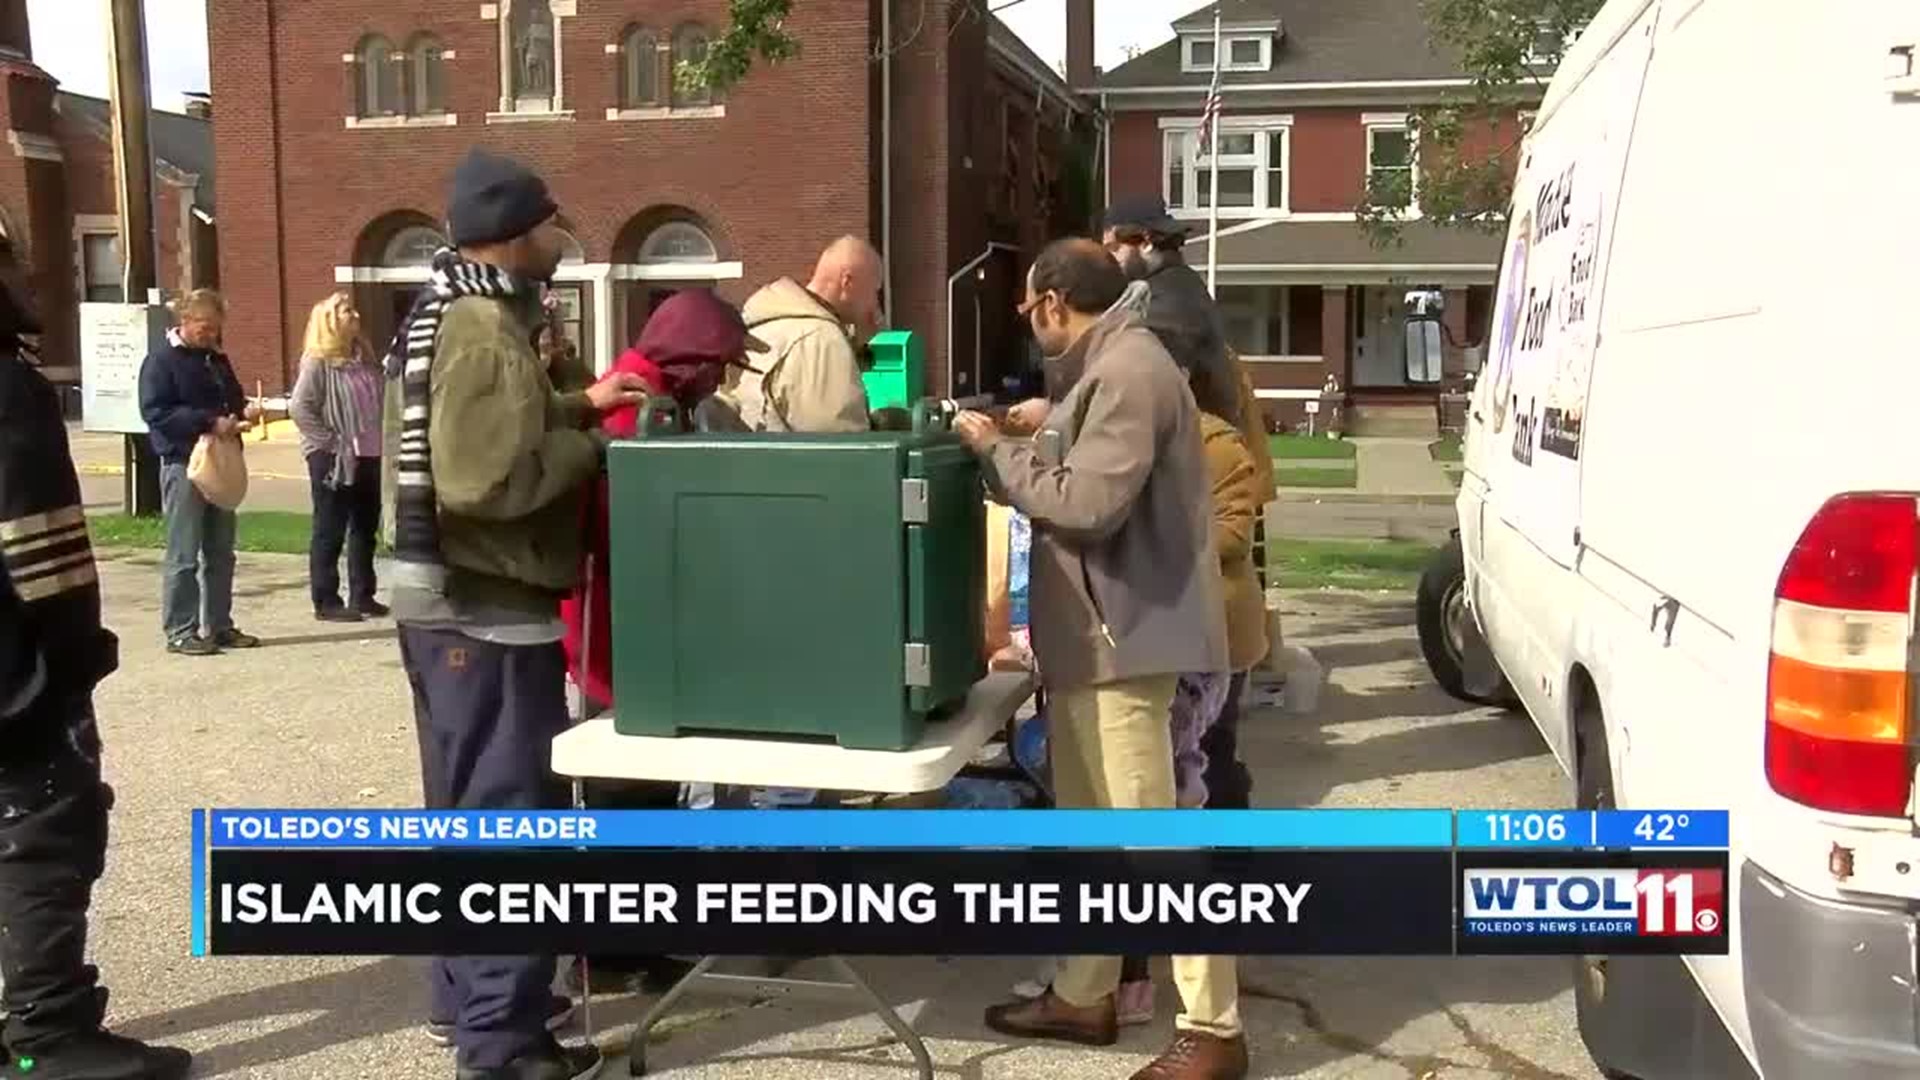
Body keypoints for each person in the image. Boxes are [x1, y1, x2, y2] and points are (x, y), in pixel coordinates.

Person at [955, 238, 1248, 1080]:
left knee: (1155, 839)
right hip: (1093, 639)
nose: (1025, 320)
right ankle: (1084, 994)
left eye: (1026, 306)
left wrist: (994, 449)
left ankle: (1215, 1030)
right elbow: (1088, 464)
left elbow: (1086, 504)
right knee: (1090, 831)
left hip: (1125, 638)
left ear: (1053, 300)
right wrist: (1040, 430)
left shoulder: (1129, 369)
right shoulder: (1114, 363)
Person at [387, 147, 648, 1080]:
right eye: (546, 225)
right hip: (488, 613)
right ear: (512, 232)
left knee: (462, 818)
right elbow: (487, 476)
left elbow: (498, 430)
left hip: (453, 611)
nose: (558, 238)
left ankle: (470, 1010)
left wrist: (581, 403)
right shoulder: (485, 329)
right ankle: (501, 1048)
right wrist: (593, 448)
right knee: (507, 826)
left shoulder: (453, 312)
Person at [0, 235, 193, 1079]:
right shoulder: (8, 389)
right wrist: (75, 657)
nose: (25, 275)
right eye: (8, 262)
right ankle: (46, 1033)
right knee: (47, 829)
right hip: (16, 669)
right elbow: (38, 550)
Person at [558, 288, 766, 993]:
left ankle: (640, 939)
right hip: (619, 627)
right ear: (691, 359)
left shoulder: (664, 397)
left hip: (646, 625)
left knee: (655, 787)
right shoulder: (628, 404)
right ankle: (610, 952)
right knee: (625, 788)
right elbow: (625, 535)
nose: (725, 379)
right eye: (720, 365)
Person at [137, 288, 261, 656]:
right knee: (184, 552)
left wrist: (243, 413)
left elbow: (233, 399)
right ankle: (180, 629)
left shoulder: (216, 360)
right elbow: (155, 412)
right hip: (184, 463)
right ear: (185, 321)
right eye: (205, 327)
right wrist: (208, 421)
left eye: (216, 328)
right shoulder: (161, 362)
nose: (211, 334)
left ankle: (220, 625)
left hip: (221, 461)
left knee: (221, 550)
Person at [289, 292, 388, 623]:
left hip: (369, 452)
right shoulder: (317, 362)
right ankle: (326, 599)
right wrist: (328, 442)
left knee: (365, 526)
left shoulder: (365, 358)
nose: (355, 315)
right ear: (329, 322)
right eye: (346, 311)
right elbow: (300, 408)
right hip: (333, 456)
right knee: (329, 528)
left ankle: (363, 594)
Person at [731, 235, 884, 433]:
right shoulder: (822, 339)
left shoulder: (763, 323)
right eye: (874, 291)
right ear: (847, 282)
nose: (875, 304)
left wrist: (858, 346)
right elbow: (841, 442)